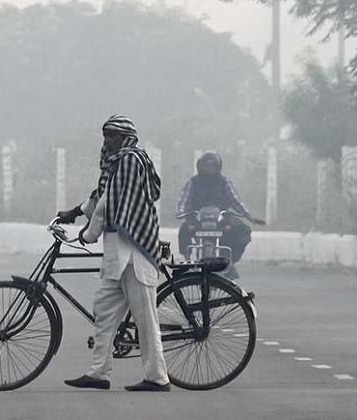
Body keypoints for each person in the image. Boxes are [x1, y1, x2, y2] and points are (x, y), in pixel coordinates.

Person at [56, 115, 170, 393]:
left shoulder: (130, 160)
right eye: (105, 135)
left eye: (113, 136)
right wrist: (75, 212)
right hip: (116, 253)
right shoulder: (115, 163)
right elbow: (101, 194)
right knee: (104, 311)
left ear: (125, 138)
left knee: (145, 318)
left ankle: (157, 378)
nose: (107, 141)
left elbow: (111, 202)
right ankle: (99, 373)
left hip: (135, 250)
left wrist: (88, 233)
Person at [175, 151, 265, 263]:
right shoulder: (193, 182)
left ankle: (229, 261)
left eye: (212, 165)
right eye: (206, 165)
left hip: (221, 217)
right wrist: (180, 211)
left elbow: (235, 200)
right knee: (185, 229)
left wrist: (248, 216)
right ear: (200, 166)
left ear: (218, 166)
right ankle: (187, 259)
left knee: (243, 231)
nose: (209, 168)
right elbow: (184, 198)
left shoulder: (224, 181)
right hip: (197, 216)